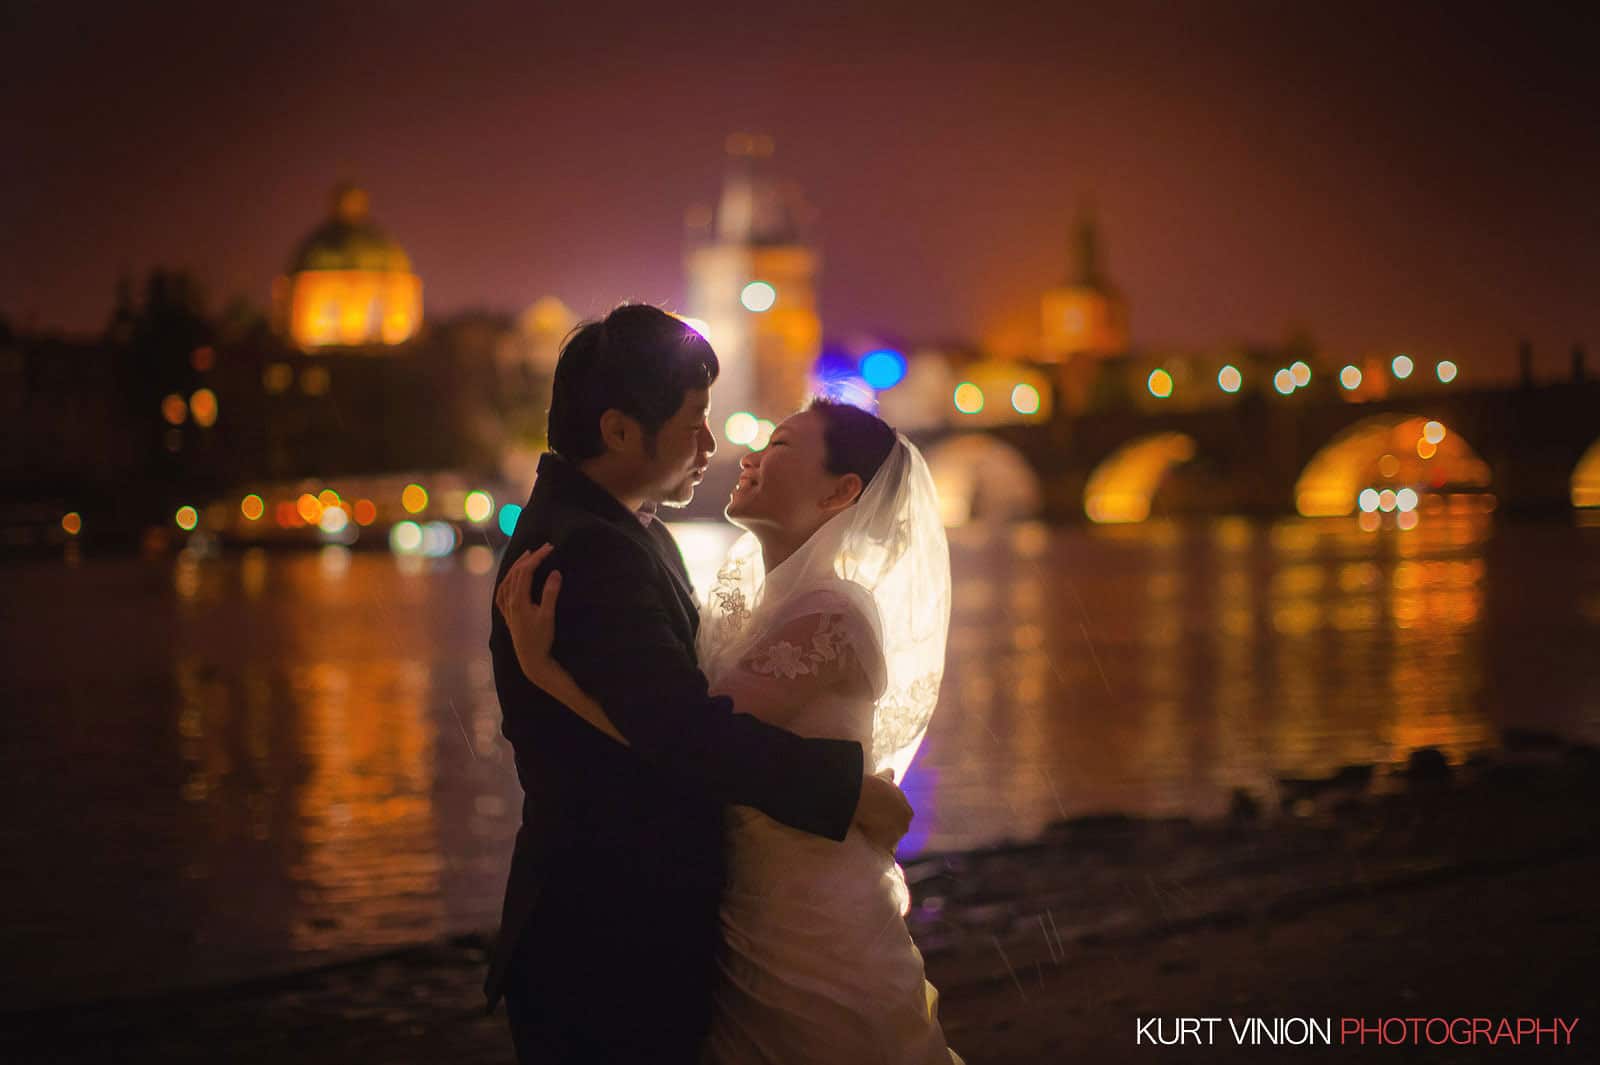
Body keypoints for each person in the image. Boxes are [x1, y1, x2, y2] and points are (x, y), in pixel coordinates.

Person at [485, 304, 916, 1064]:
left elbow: (667, 720)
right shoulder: (590, 550)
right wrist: (847, 790)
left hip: (635, 927)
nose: (714, 446)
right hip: (607, 934)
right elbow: (684, 734)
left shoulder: (629, 530)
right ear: (619, 430)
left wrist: (548, 675)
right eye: (695, 421)